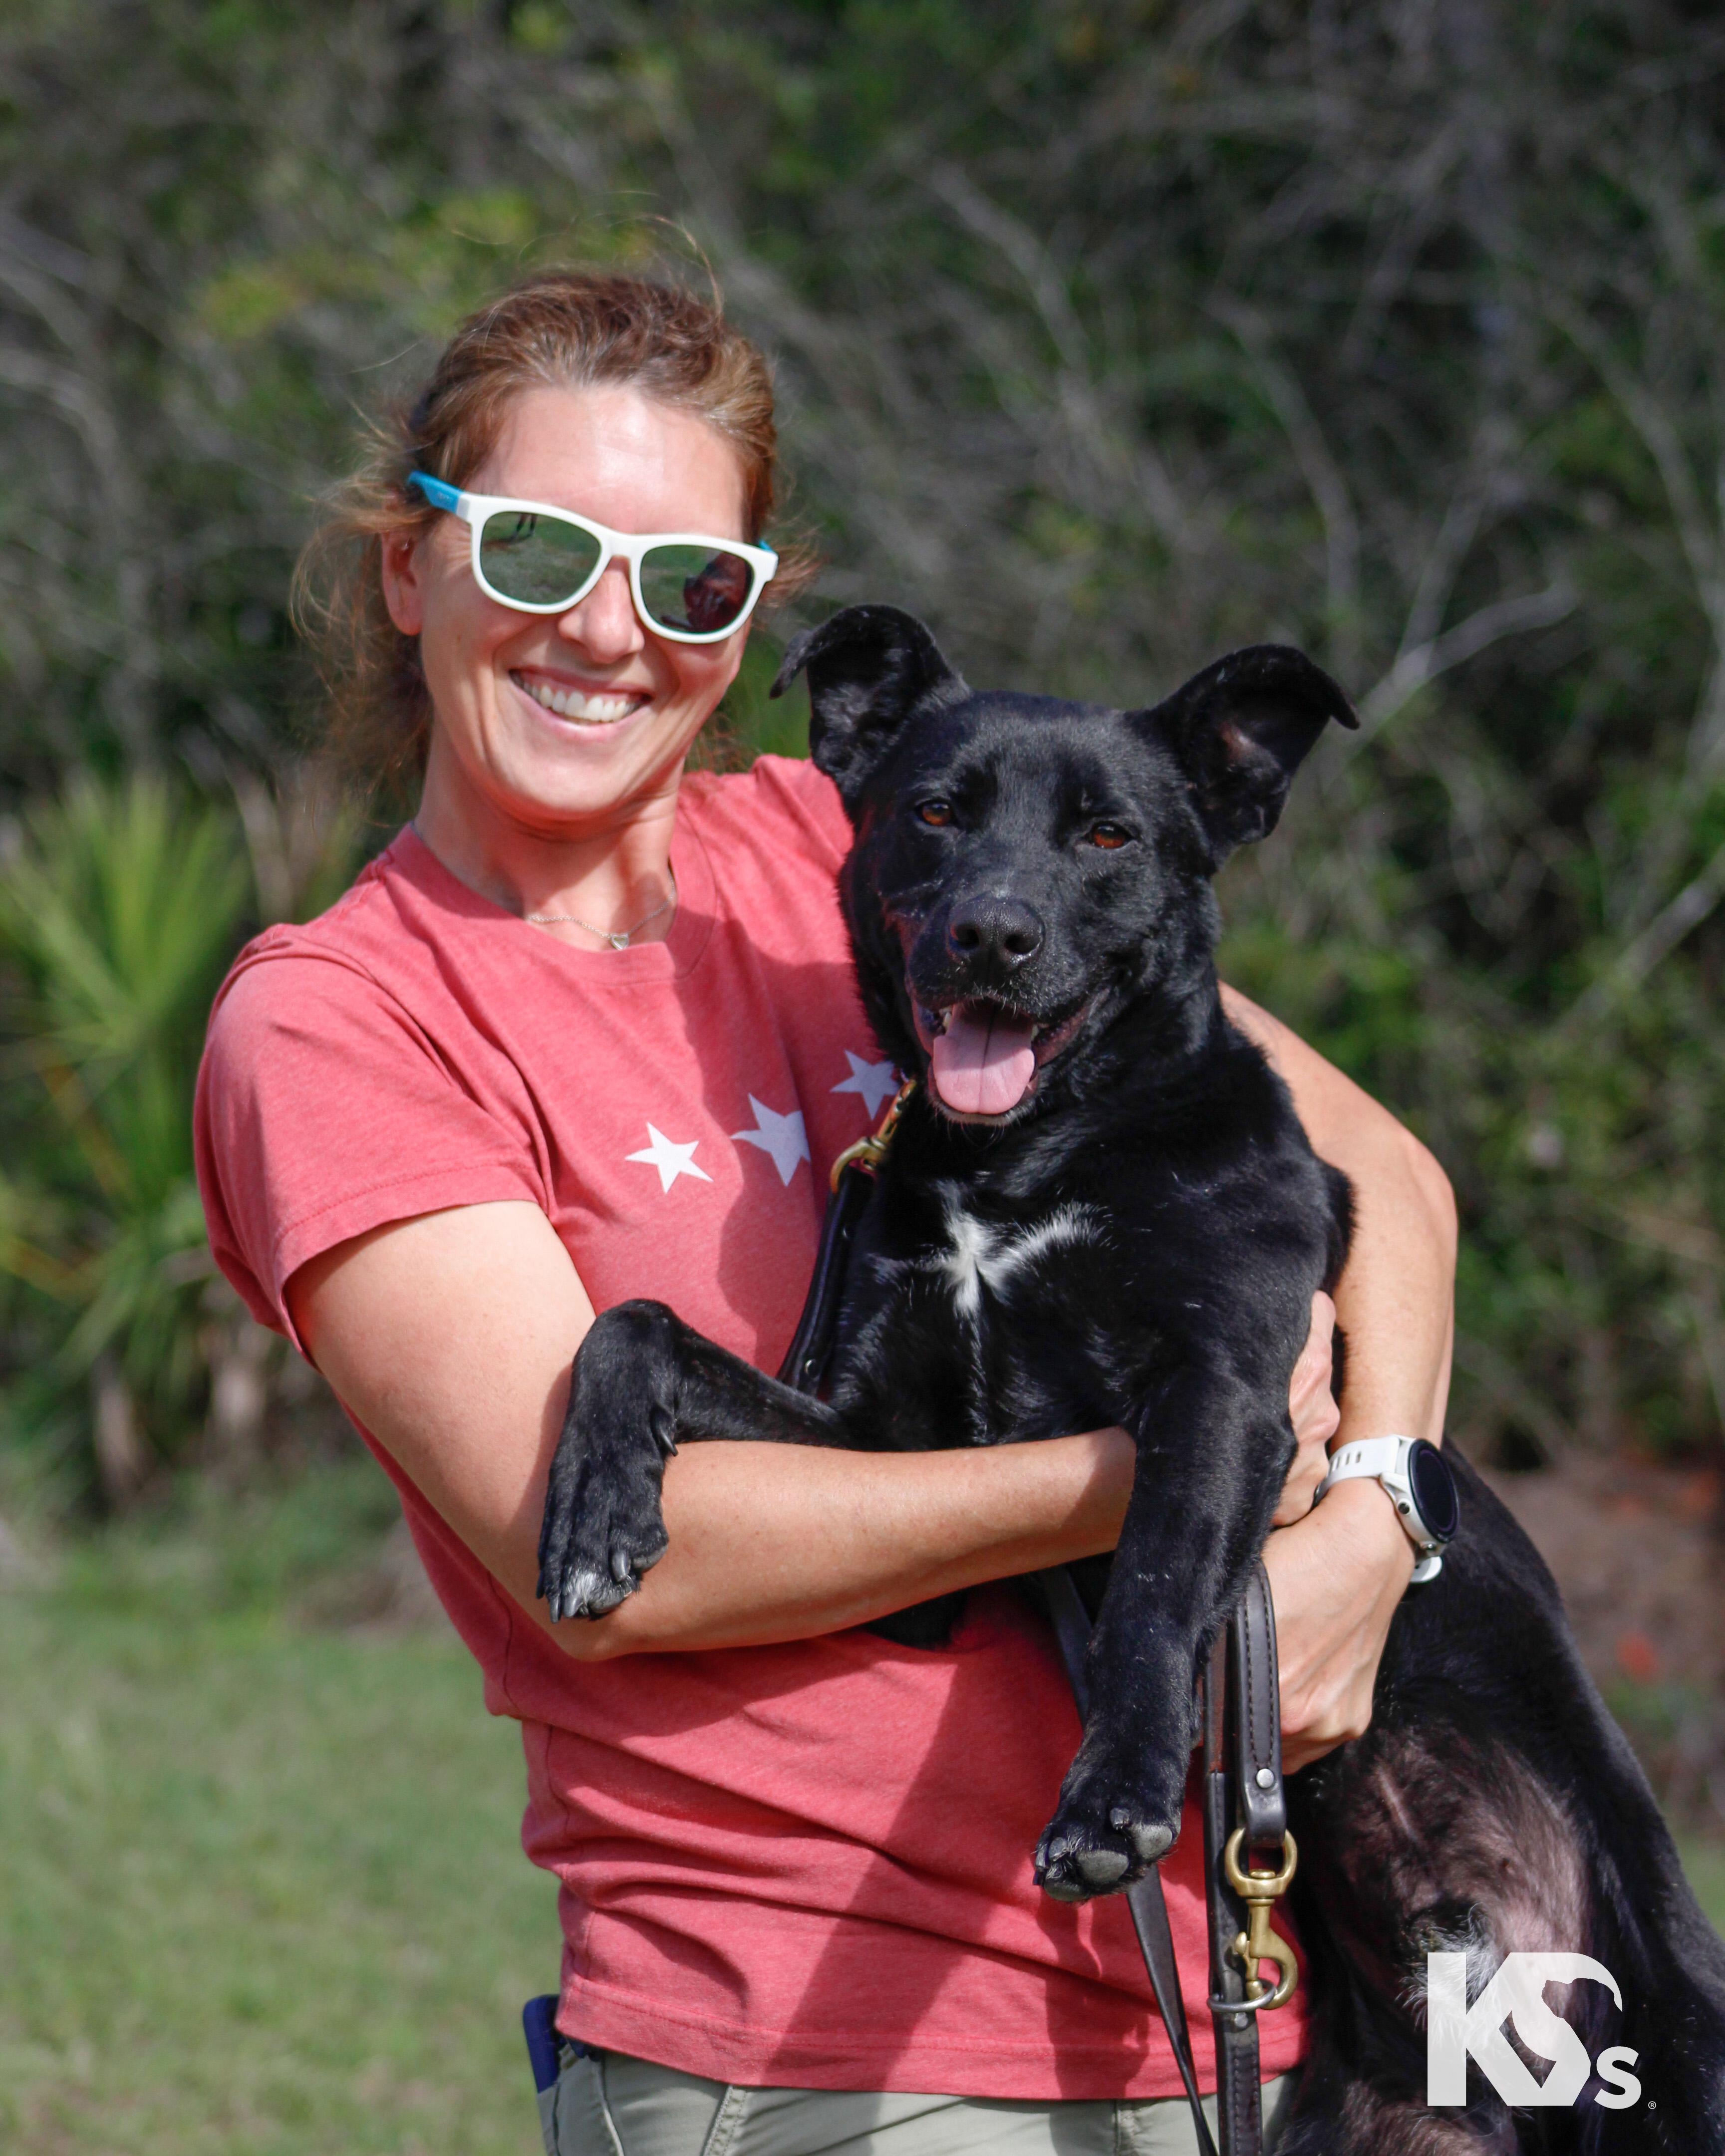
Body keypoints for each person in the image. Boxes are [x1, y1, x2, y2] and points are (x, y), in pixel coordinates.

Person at [194, 271, 1456, 2156]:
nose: (605, 633)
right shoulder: (342, 1019)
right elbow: (636, 1562)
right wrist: (1158, 1469)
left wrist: (1373, 1519)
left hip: (1221, 1998)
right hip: (822, 2042)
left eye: (689, 580)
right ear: (409, 567)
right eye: (538, 552)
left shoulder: (865, 843)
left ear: (753, 619)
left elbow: (1397, 1185)